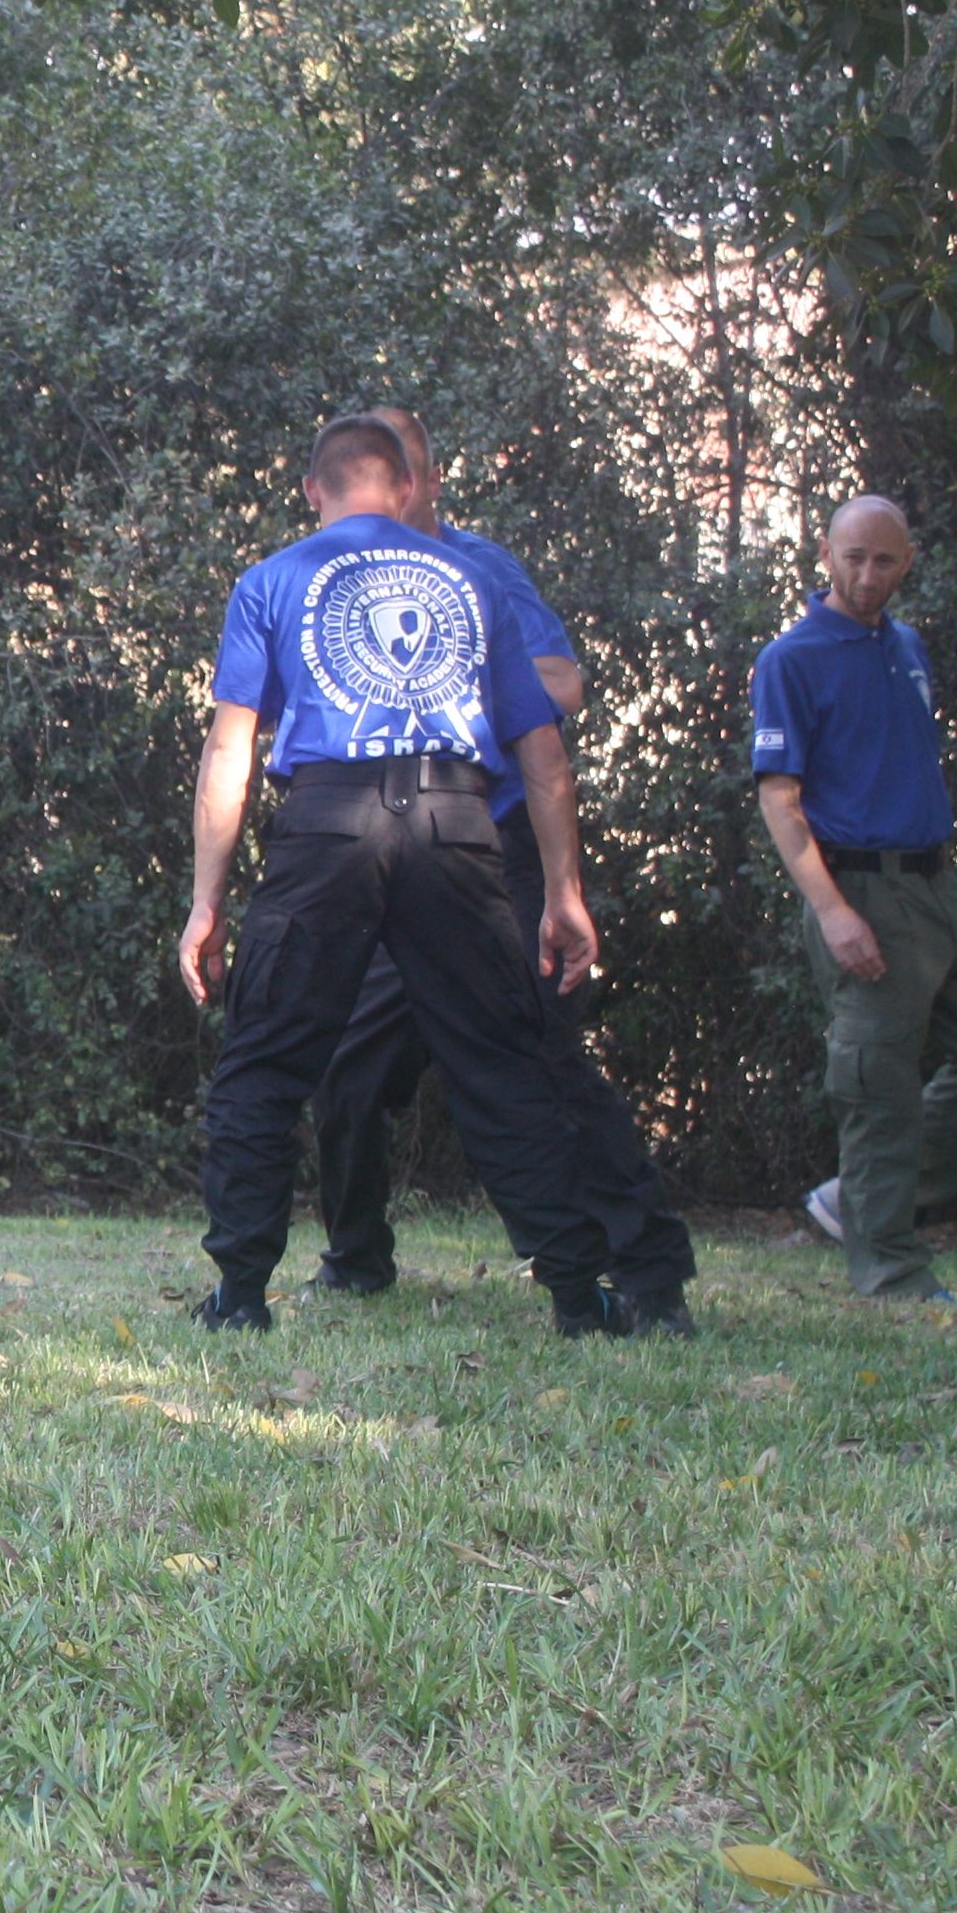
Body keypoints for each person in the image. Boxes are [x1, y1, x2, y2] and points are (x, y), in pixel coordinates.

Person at [176, 412, 630, 1336]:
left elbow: (232, 750)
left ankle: (240, 1297)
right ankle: (582, 1300)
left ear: (313, 492)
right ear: (409, 489)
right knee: (500, 1062)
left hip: (326, 824)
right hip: (456, 824)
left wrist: (206, 903)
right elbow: (543, 757)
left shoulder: (273, 579)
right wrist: (566, 894)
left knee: (263, 1059)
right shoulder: (471, 580)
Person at [302, 408, 696, 1326]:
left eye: (410, 467)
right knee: (345, 1055)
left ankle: (646, 1270)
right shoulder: (339, 577)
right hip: (386, 855)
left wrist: (456, 678)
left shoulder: (481, 570)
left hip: (492, 858)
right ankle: (356, 1256)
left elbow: (561, 686)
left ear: (426, 479)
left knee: (541, 1056)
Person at [751, 494, 957, 1302]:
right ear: (824, 554)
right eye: (851, 557)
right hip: (860, 883)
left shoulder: (907, 646)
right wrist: (835, 910)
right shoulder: (792, 659)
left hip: (943, 881)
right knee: (877, 1081)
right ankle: (892, 1272)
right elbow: (780, 799)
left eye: (883, 559)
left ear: (907, 560)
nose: (865, 574)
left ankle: (858, 1200)